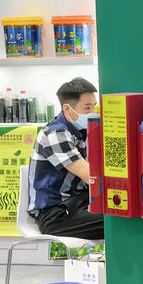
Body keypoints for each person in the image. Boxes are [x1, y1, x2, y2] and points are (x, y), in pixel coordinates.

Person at [27, 76, 104, 241]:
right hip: (55, 214)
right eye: (87, 108)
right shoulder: (56, 133)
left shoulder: (83, 130)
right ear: (67, 109)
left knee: (119, 213)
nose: (93, 112)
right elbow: (91, 176)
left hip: (79, 202)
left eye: (95, 106)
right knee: (115, 221)